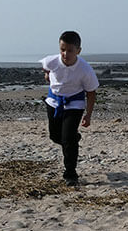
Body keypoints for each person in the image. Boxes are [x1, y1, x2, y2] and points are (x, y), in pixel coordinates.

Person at [40, 31, 99, 186]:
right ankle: (73, 139)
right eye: (62, 49)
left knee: (67, 140)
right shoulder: (51, 61)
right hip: (54, 101)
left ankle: (71, 175)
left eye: (70, 50)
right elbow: (45, 68)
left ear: (78, 51)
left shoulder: (85, 70)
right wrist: (47, 76)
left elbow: (91, 93)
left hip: (74, 104)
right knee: (55, 136)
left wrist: (88, 115)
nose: (65, 54)